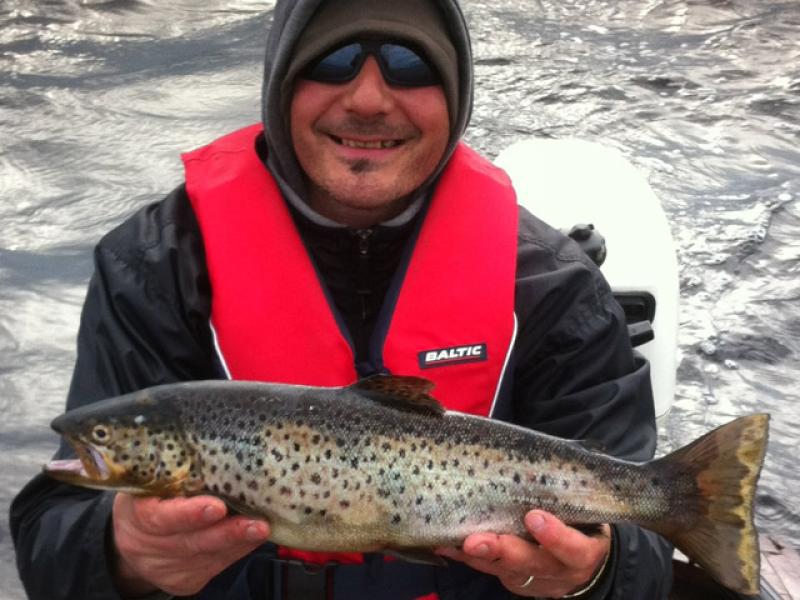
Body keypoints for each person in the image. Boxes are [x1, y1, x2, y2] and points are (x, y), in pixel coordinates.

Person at [10, 0, 674, 598]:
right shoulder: (156, 267)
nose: (367, 99)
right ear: (281, 84)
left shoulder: (554, 286)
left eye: (410, 65)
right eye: (333, 61)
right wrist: (122, 553)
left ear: (455, 94)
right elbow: (51, 535)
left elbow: (645, 549)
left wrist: (597, 573)